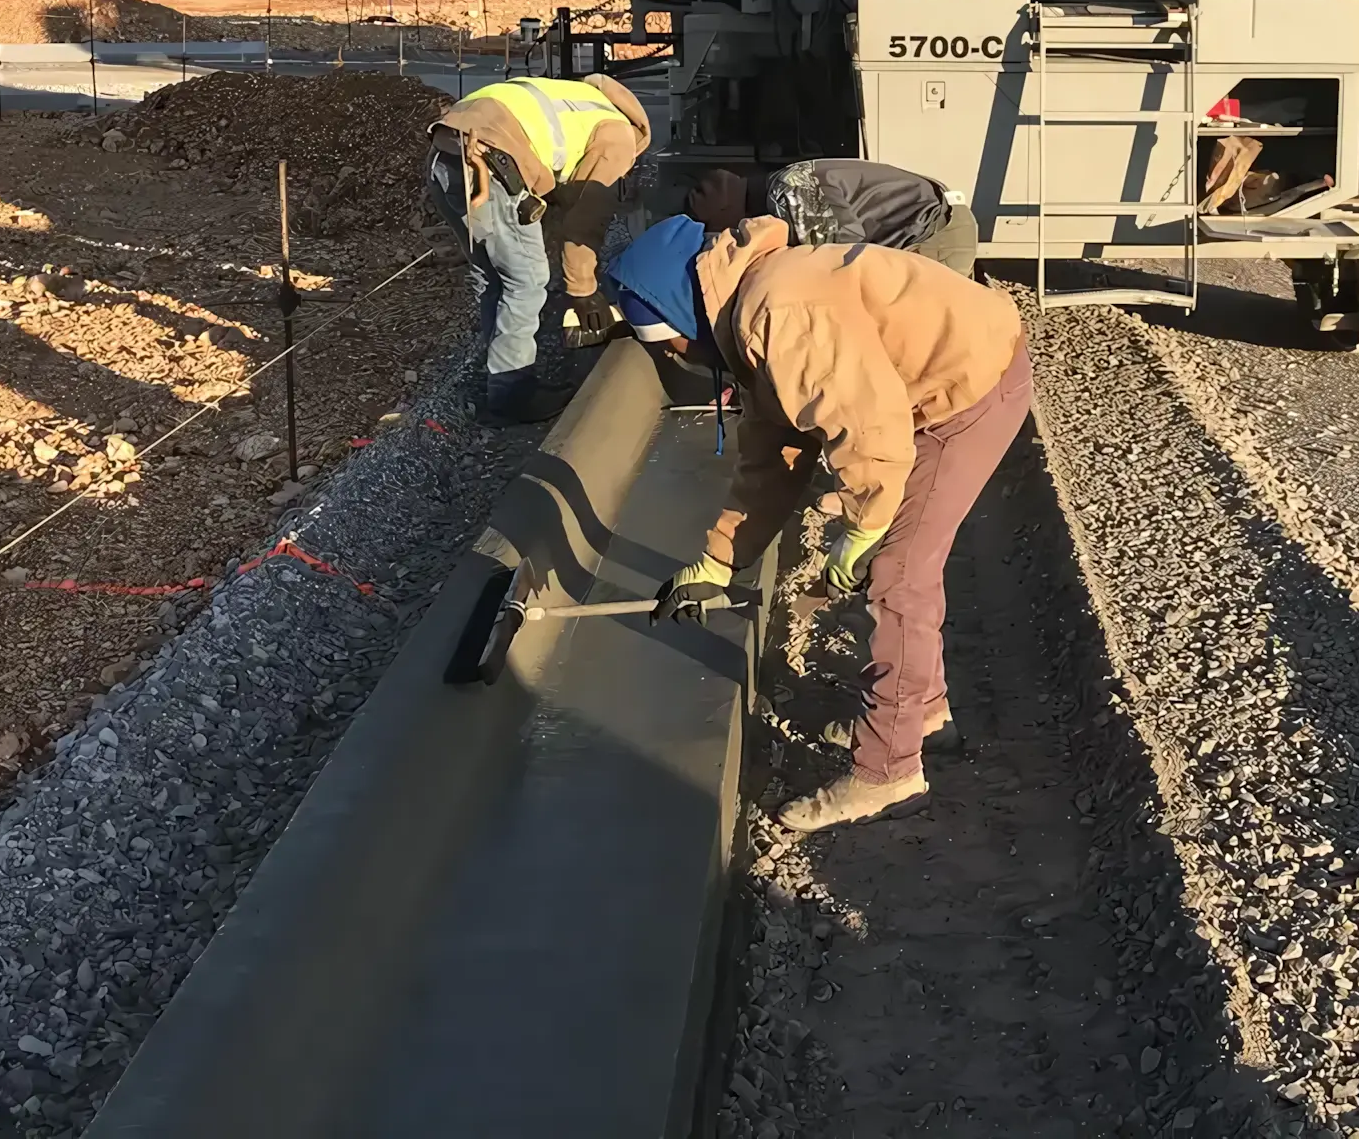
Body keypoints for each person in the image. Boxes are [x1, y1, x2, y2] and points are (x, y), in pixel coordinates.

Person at [606, 213, 1030, 834]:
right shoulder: (750, 307)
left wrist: (861, 529)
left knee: (896, 571)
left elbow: (871, 433)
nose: (677, 359)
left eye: (669, 345)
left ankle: (888, 770)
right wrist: (720, 559)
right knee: (898, 561)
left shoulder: (780, 313)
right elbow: (774, 454)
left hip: (966, 390)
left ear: (682, 316)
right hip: (943, 375)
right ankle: (922, 713)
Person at [424, 72, 651, 423]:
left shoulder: (575, 101)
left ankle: (499, 375)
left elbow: (558, 186)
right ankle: (511, 396)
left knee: (494, 276)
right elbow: (585, 218)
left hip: (445, 157)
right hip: (489, 164)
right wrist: (583, 290)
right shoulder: (619, 136)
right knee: (526, 282)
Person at [687, 159, 977, 275]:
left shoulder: (789, 196)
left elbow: (843, 264)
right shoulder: (787, 180)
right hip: (936, 223)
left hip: (934, 237)